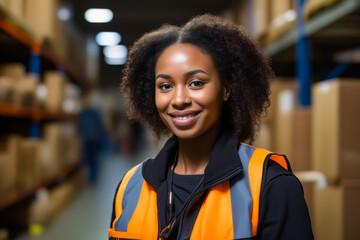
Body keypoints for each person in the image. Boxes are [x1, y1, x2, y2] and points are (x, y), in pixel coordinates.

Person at [109, 14, 313, 240]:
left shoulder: (271, 185)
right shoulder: (130, 186)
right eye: (165, 86)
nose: (179, 99)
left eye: (196, 83)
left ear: (226, 89)